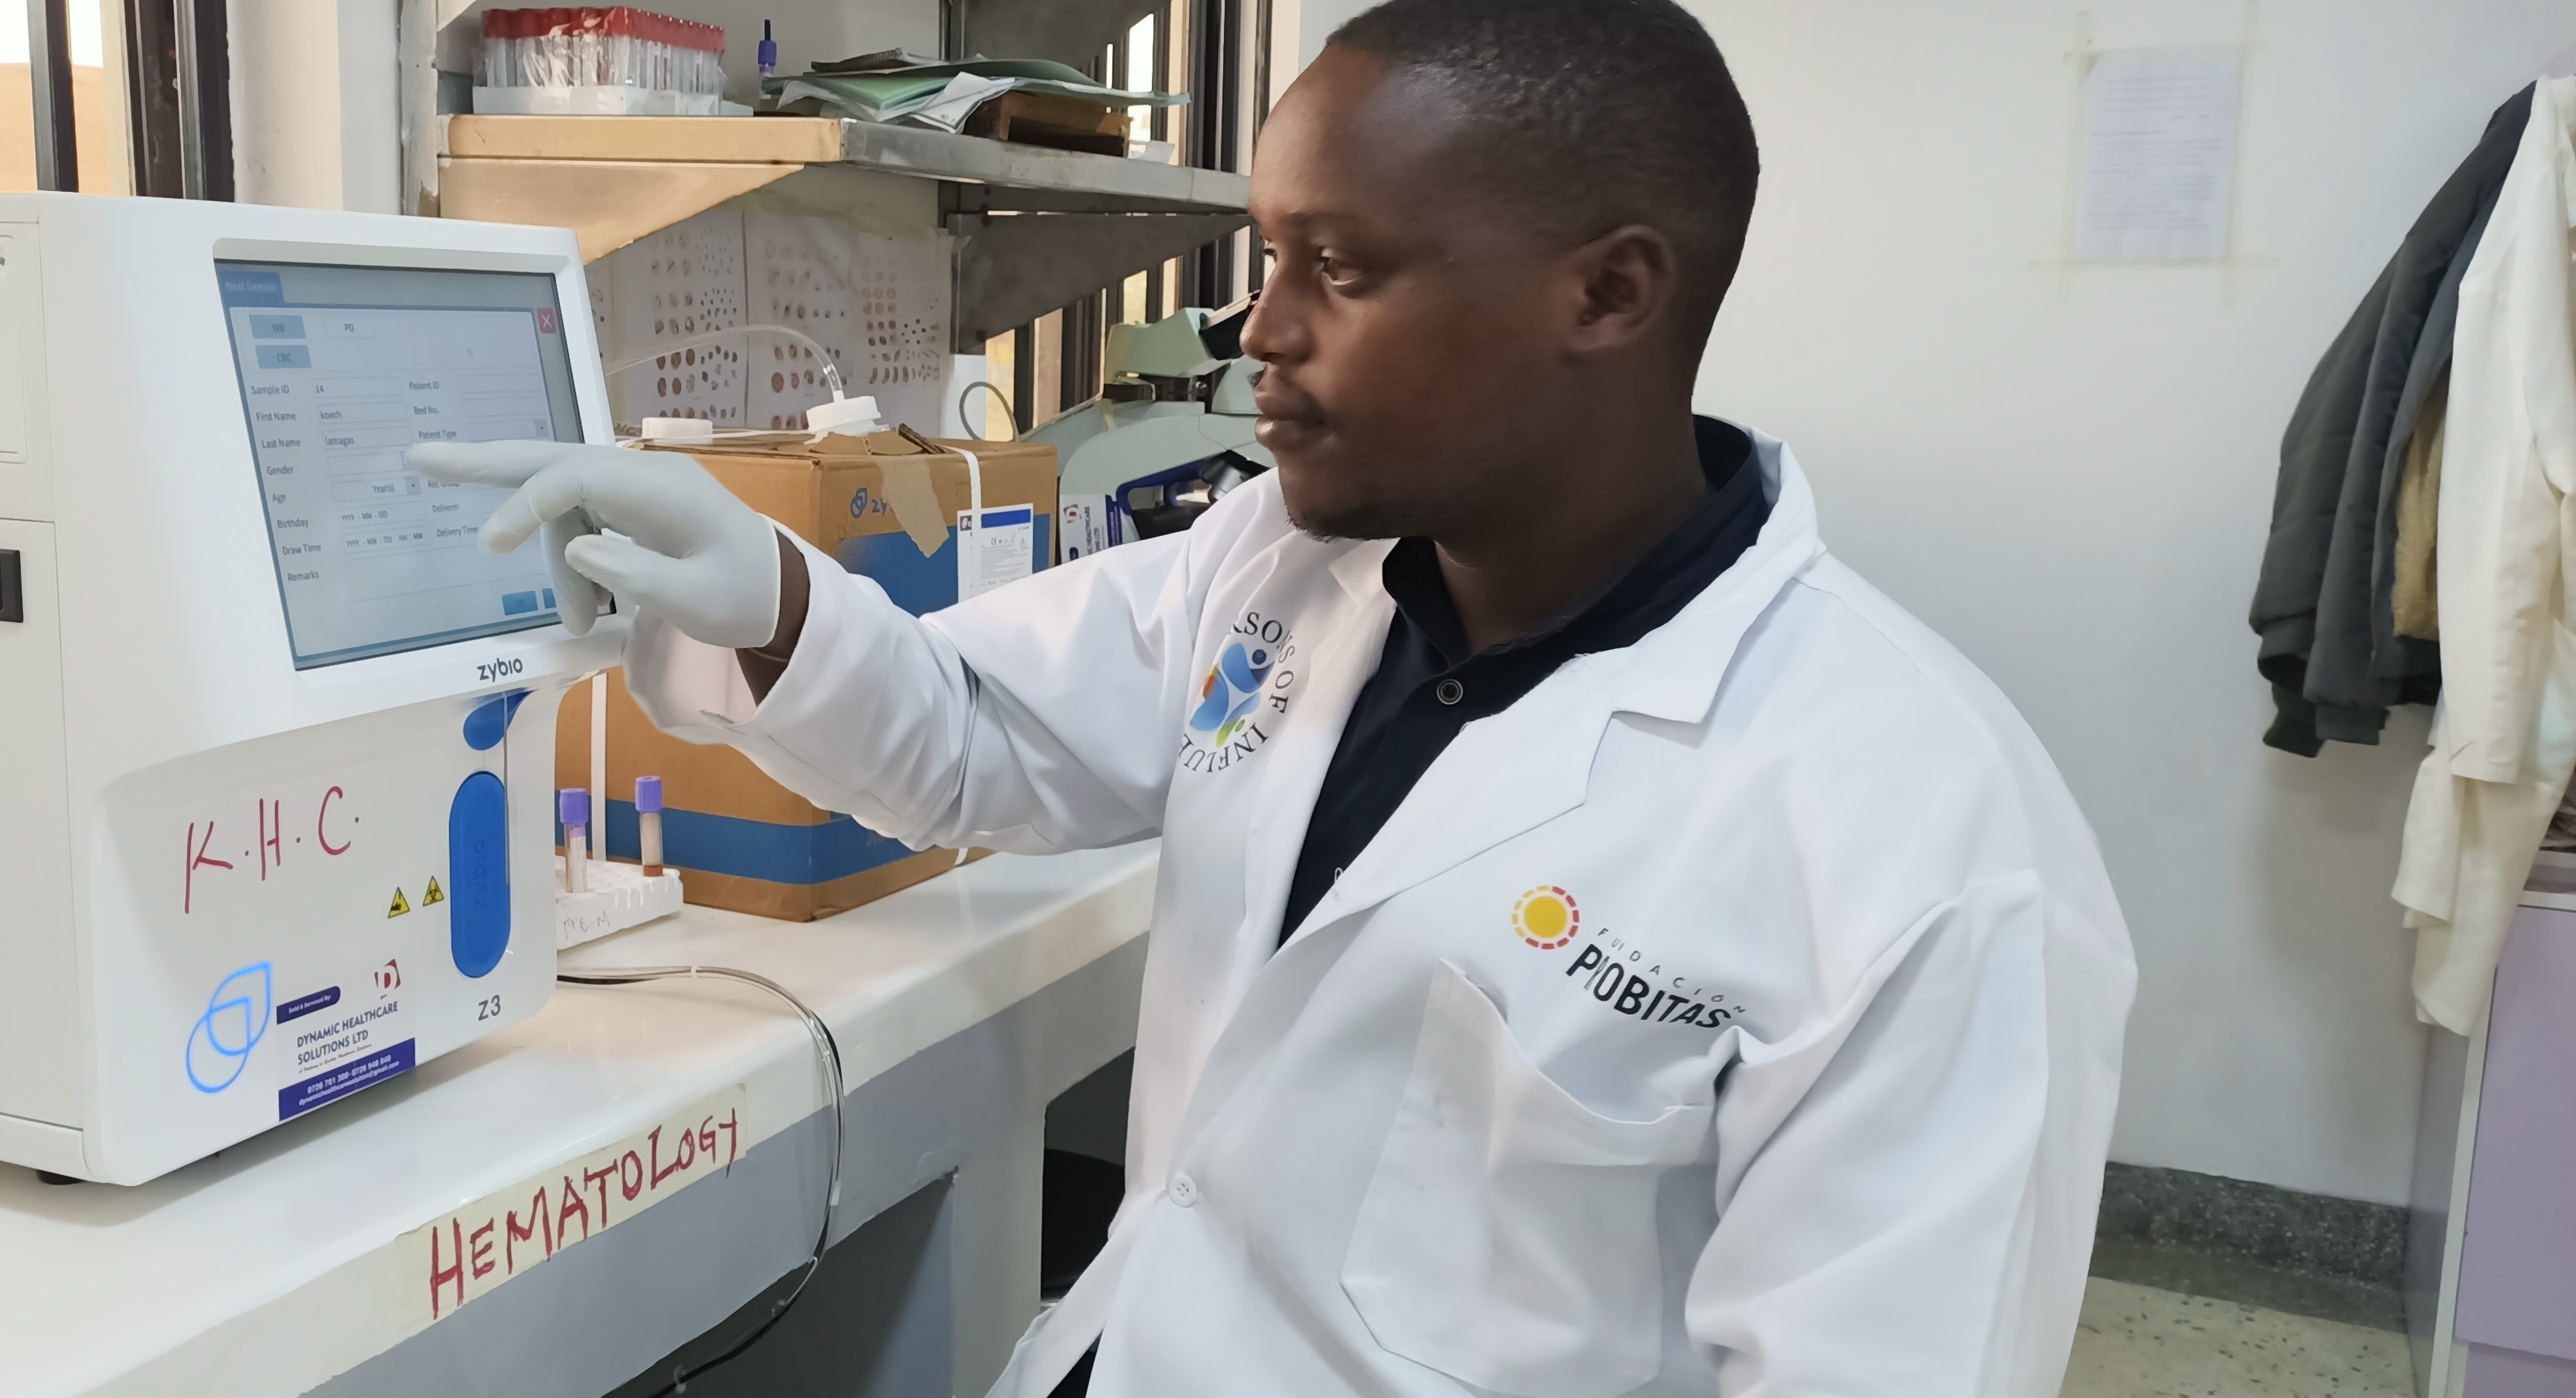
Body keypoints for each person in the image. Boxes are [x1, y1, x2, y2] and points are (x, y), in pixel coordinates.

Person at [411, 0, 2136, 1391]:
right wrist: (772, 600)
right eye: (1265, 254)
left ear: (1607, 293)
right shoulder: (1281, 564)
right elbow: (977, 740)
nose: (1258, 331)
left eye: (1340, 267)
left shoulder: (1918, 841)